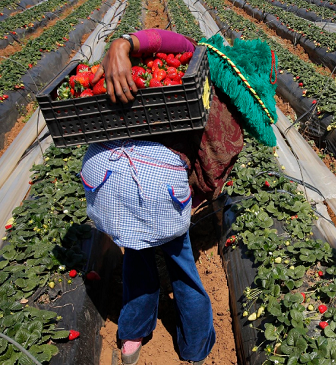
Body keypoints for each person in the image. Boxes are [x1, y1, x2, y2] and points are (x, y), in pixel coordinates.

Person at [81, 29, 276, 365]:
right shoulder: (221, 114)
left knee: (138, 256)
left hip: (110, 181)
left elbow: (163, 41)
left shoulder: (190, 64)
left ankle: (132, 334)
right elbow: (210, 168)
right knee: (181, 263)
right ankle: (195, 345)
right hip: (165, 187)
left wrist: (122, 44)